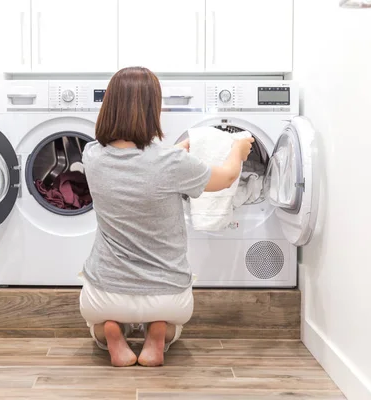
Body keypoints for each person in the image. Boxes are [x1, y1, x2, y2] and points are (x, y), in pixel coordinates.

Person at [78, 67, 254, 367]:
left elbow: (136, 167)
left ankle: (109, 332)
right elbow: (225, 178)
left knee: (96, 322)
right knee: (172, 321)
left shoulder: (91, 155)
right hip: (169, 296)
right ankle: (160, 331)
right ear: (152, 110)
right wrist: (238, 149)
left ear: (108, 106)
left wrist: (174, 154)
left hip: (104, 294)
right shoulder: (172, 163)